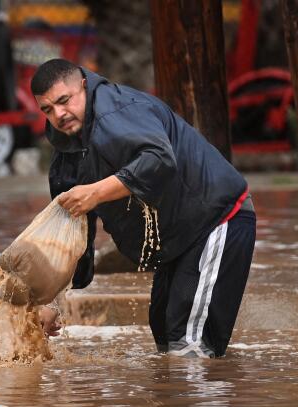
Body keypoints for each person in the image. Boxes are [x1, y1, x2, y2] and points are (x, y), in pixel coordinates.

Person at [32, 59, 256, 358]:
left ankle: (206, 402)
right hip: (178, 238)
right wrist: (51, 301)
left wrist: (97, 192)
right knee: (164, 330)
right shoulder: (67, 157)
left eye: (64, 101)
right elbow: (70, 236)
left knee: (189, 342)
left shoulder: (117, 110)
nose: (59, 114)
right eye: (47, 109)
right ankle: (177, 403)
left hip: (217, 219)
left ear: (84, 86)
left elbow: (158, 160)